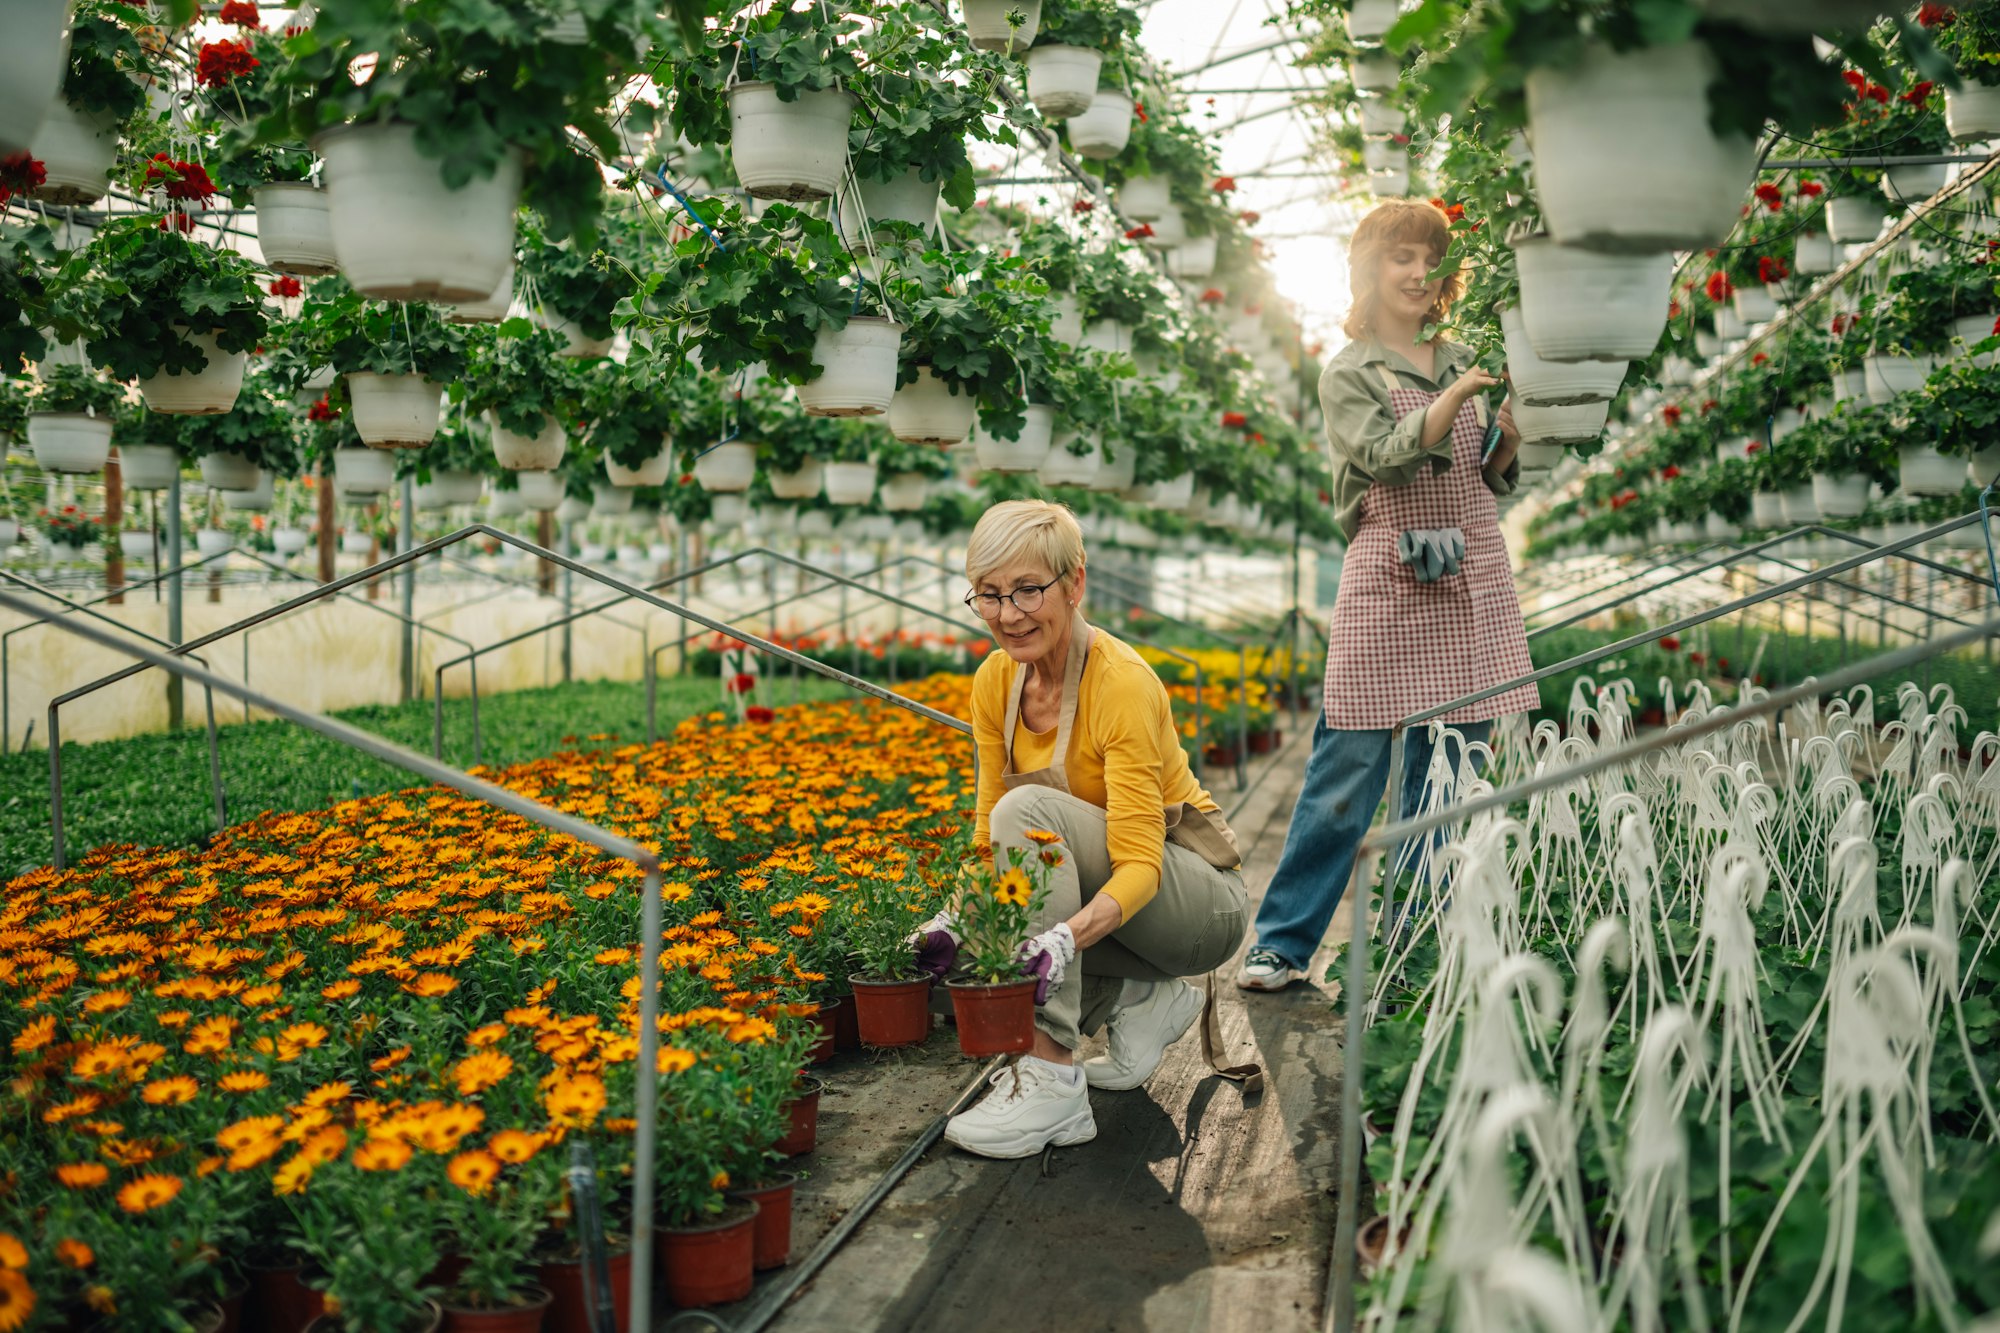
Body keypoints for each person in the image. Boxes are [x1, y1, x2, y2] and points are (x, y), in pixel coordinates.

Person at [1237, 198, 1540, 992]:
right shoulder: (1352, 370)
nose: (1417, 272)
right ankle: (1283, 941)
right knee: (1347, 768)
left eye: (1428, 259)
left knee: (1449, 775)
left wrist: (1505, 434)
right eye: (1400, 257)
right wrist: (1452, 402)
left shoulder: (1462, 355)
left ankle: (1411, 947)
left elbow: (1483, 478)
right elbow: (1385, 460)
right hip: (1390, 579)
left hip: (1469, 576)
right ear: (1370, 270)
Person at [921, 500, 1250, 1159]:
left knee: (1028, 816)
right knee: (978, 929)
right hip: (1135, 919)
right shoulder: (994, 683)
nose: (1008, 613)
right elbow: (989, 838)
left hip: (1200, 904)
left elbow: (1138, 865)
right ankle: (1144, 995)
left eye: (1027, 589)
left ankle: (1054, 1080)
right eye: (989, 594)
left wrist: (1061, 942)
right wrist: (953, 918)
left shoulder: (1121, 683)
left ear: (1075, 583)